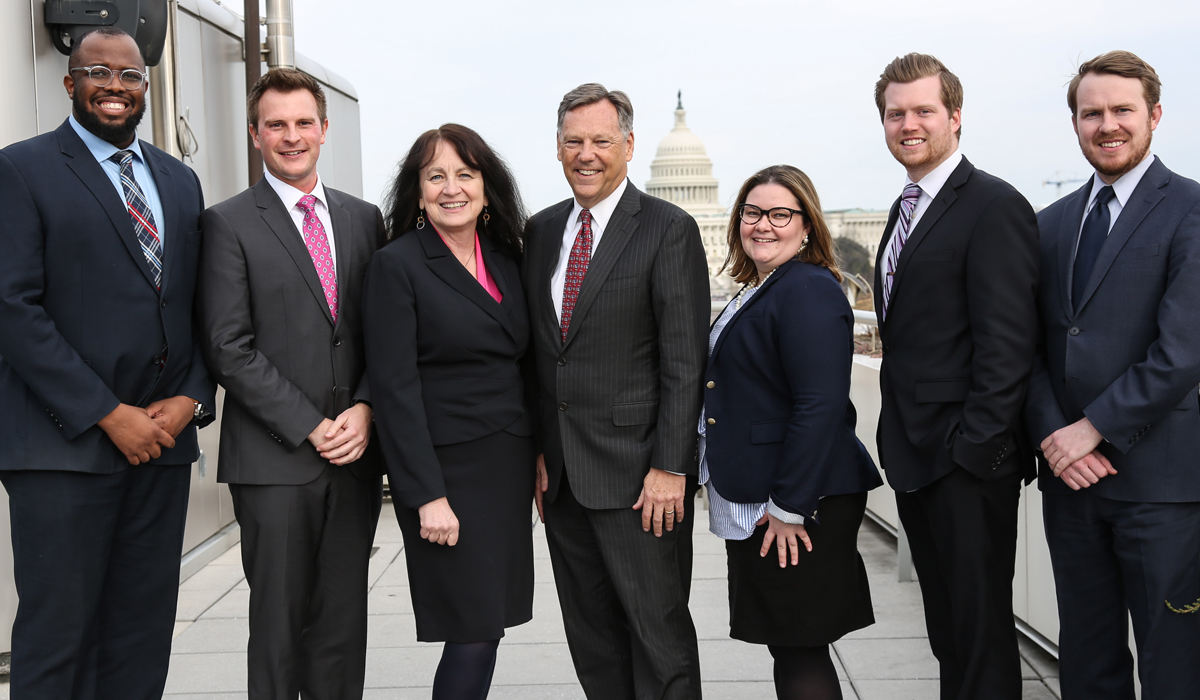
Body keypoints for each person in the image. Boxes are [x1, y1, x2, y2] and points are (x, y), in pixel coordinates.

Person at [0, 27, 215, 699]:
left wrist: (192, 397)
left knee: (141, 634)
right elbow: (13, 307)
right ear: (70, 84)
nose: (116, 87)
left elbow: (200, 304)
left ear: (146, 88)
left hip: (163, 445)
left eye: (130, 77)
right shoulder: (21, 169)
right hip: (63, 450)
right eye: (99, 73)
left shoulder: (179, 181)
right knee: (59, 637)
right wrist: (106, 413)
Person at [197, 68, 385, 700]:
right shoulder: (227, 223)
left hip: (353, 460)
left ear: (324, 130)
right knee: (278, 632)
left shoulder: (365, 221)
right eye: (276, 124)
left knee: (342, 630)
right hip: (275, 462)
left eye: (304, 122)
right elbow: (229, 348)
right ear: (255, 135)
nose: (291, 135)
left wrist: (363, 407)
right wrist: (309, 424)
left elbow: (381, 335)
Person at [522, 83, 709, 700]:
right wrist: (542, 451)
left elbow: (684, 362)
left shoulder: (667, 229)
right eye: (573, 141)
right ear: (556, 148)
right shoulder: (542, 232)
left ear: (629, 145)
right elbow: (544, 354)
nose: (587, 153)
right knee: (593, 643)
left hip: (640, 481)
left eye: (601, 140)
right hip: (565, 483)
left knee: (659, 642)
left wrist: (670, 468)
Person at [1024, 50, 1200, 700]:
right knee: (1087, 663)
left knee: (1174, 668)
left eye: (1122, 110)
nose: (1107, 125)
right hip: (1071, 487)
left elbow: (1182, 351)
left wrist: (1092, 428)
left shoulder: (1190, 210)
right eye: (1091, 112)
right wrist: (1054, 437)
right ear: (1074, 122)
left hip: (1162, 489)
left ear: (1154, 115)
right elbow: (1029, 349)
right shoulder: (1049, 224)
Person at [871, 53, 1040, 700]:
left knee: (980, 637)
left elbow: (1008, 344)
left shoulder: (992, 204)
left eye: (922, 111)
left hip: (966, 464)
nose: (908, 124)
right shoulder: (905, 206)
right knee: (948, 633)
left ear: (955, 117)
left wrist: (974, 450)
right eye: (895, 113)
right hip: (915, 455)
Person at [362, 124, 535, 700]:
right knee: (471, 630)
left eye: (465, 174)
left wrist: (537, 453)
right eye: (436, 176)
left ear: (488, 185)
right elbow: (394, 388)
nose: (452, 188)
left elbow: (526, 368)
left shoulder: (509, 260)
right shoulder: (398, 265)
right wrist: (425, 495)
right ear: (417, 189)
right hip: (446, 475)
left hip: (504, 467)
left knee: (488, 627)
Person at [701, 165, 883, 700]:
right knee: (792, 644)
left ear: (806, 225)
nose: (763, 225)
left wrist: (788, 507)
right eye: (752, 213)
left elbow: (820, 404)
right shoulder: (766, 286)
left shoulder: (806, 288)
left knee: (801, 646)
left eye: (780, 214)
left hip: (798, 500)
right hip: (771, 492)